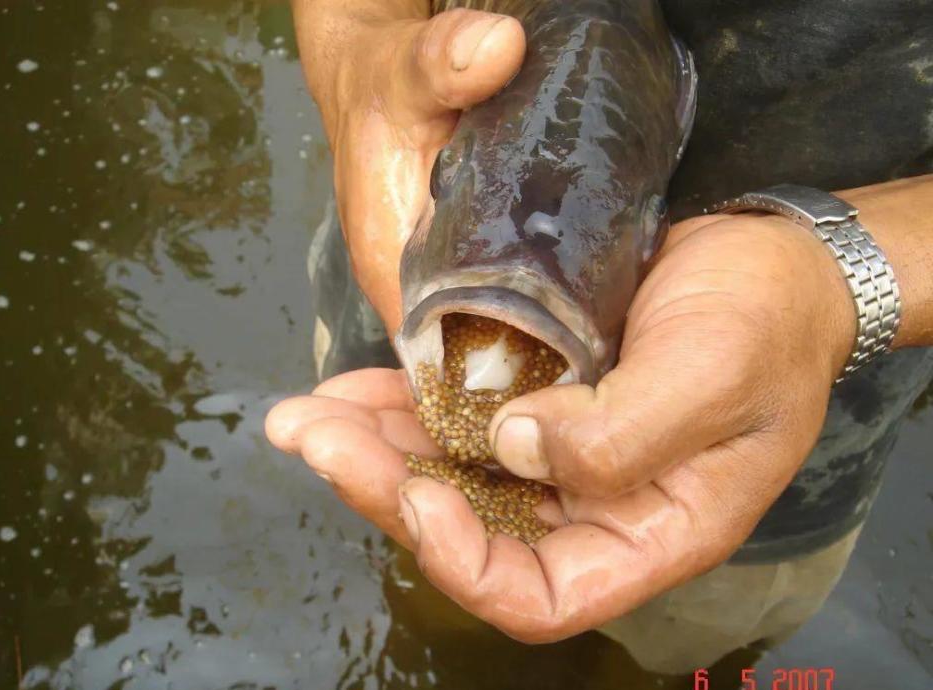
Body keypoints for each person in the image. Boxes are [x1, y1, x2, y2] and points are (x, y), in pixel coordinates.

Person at [266, 0, 933, 673]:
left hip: (783, 426)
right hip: (395, 267)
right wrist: (355, 54)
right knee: (432, 588)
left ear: (651, 230)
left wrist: (837, 284)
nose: (520, 268)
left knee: (676, 655)